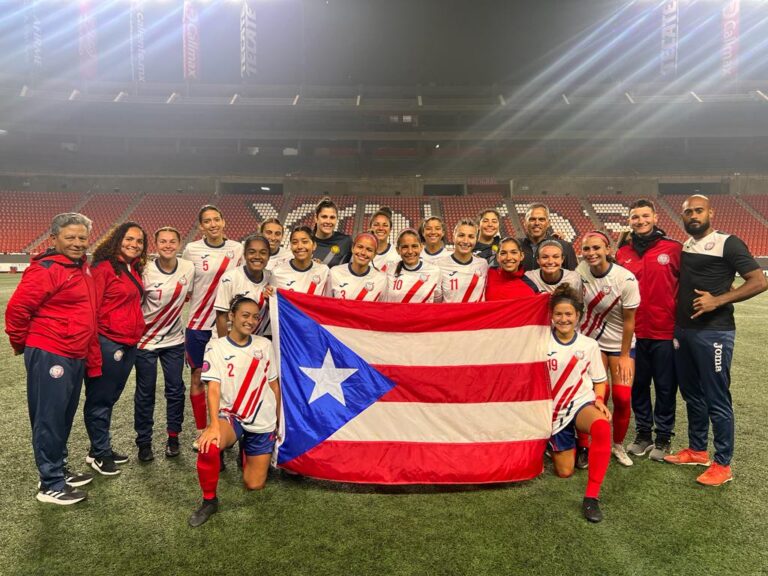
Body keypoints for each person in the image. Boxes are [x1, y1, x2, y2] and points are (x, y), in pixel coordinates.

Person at [664, 194, 767, 486]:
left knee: (716, 397)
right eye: (688, 212)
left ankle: (723, 464)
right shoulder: (685, 245)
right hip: (683, 331)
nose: (694, 216)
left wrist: (719, 300)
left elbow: (759, 281)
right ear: (682, 216)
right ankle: (698, 450)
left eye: (699, 211)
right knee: (692, 394)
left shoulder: (728, 242)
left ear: (711, 213)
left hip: (714, 333)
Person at [5, 213, 98, 504]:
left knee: (63, 415)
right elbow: (17, 311)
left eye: (82, 237)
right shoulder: (46, 269)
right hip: (51, 351)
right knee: (49, 417)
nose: (77, 243)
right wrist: (22, 344)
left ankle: (58, 468)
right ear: (54, 238)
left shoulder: (81, 267)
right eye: (70, 237)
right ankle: (50, 484)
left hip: (74, 351)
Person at [188, 296, 280, 527]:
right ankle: (209, 501)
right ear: (231, 316)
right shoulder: (216, 346)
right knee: (209, 444)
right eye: (245, 315)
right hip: (232, 415)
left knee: (254, 484)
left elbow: (274, 385)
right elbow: (213, 389)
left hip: (262, 418)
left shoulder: (264, 345)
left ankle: (247, 450)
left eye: (255, 317)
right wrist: (213, 425)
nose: (251, 321)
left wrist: (279, 422)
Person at [616, 199, 681, 462]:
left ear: (655, 218)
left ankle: (663, 436)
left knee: (665, 387)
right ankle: (643, 434)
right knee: (638, 386)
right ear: (629, 221)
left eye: (645, 216)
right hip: (633, 334)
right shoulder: (623, 253)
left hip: (665, 331)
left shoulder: (674, 249)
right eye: (635, 217)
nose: (640, 221)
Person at [84, 221, 148, 476]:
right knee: (100, 399)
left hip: (128, 342)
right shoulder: (103, 268)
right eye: (129, 239)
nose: (134, 244)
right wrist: (94, 347)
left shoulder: (131, 267)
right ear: (117, 240)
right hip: (108, 341)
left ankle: (98, 448)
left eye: (139, 241)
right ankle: (100, 454)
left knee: (109, 397)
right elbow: (91, 309)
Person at [546, 283, 612, 523]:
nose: (563, 319)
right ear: (551, 316)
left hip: (580, 403)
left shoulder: (589, 345)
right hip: (553, 410)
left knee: (602, 426)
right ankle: (564, 443)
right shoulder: (541, 342)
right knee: (564, 472)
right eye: (558, 314)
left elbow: (600, 380)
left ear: (578, 316)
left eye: (568, 314)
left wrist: (599, 399)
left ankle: (591, 497)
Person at [576, 231, 640, 468]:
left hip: (620, 345)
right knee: (594, 395)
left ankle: (618, 445)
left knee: (622, 397)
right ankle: (585, 445)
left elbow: (630, 321)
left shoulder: (625, 279)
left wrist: (624, 356)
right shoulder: (580, 272)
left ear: (607, 250)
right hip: (592, 343)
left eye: (596, 248)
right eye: (586, 249)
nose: (591, 253)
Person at [182, 205, 244, 447]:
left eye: (216, 219)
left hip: (227, 325)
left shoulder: (237, 249)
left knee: (227, 379)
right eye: (207, 221)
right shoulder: (192, 250)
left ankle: (224, 427)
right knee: (198, 377)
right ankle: (202, 430)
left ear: (223, 221)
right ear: (201, 226)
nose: (213, 224)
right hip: (198, 324)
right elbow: (186, 284)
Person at [134, 227, 195, 462]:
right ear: (156, 245)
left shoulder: (188, 267)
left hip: (174, 341)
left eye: (172, 241)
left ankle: (173, 437)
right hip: (145, 342)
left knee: (175, 390)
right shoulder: (145, 270)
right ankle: (144, 442)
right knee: (145, 393)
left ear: (179, 244)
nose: (168, 245)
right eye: (163, 241)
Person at [213, 234, 273, 338]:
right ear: (244, 255)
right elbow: (221, 317)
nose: (257, 256)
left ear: (269, 256)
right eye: (252, 252)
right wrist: (225, 344)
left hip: (255, 341)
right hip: (229, 340)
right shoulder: (230, 278)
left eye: (263, 253)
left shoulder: (272, 279)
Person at [383, 229, 443, 303]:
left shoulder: (434, 271)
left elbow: (437, 303)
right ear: (398, 250)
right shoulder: (389, 270)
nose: (410, 251)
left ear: (421, 247)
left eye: (414, 246)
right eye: (405, 247)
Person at [436, 219, 488, 303]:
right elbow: (436, 302)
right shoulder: (440, 265)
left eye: (471, 237)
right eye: (461, 235)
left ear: (476, 239)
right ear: (453, 237)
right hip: (451, 312)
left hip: (477, 312)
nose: (465, 241)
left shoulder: (483, 264)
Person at [326, 232, 388, 301]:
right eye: (360, 247)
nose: (363, 252)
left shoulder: (381, 279)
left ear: (374, 255)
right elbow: (326, 303)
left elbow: (382, 306)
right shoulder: (335, 273)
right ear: (352, 248)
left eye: (369, 250)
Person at [518, 203, 578, 271]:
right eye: (532, 219)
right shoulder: (516, 247)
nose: (537, 223)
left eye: (541, 219)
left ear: (548, 223)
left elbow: (573, 275)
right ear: (525, 223)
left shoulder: (565, 247)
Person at [272, 226, 330, 294]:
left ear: (314, 245)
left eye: (304, 242)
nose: (299, 246)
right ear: (290, 246)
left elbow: (329, 298)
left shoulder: (324, 271)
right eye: (295, 242)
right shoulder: (277, 272)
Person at [312, 197, 352, 268]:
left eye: (332, 217)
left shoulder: (346, 241)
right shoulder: (306, 240)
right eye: (324, 217)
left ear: (337, 219)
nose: (328, 221)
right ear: (316, 218)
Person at [370, 207, 399, 272]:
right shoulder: (361, 252)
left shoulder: (397, 254)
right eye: (376, 224)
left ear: (390, 229)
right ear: (370, 227)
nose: (381, 228)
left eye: (385, 225)